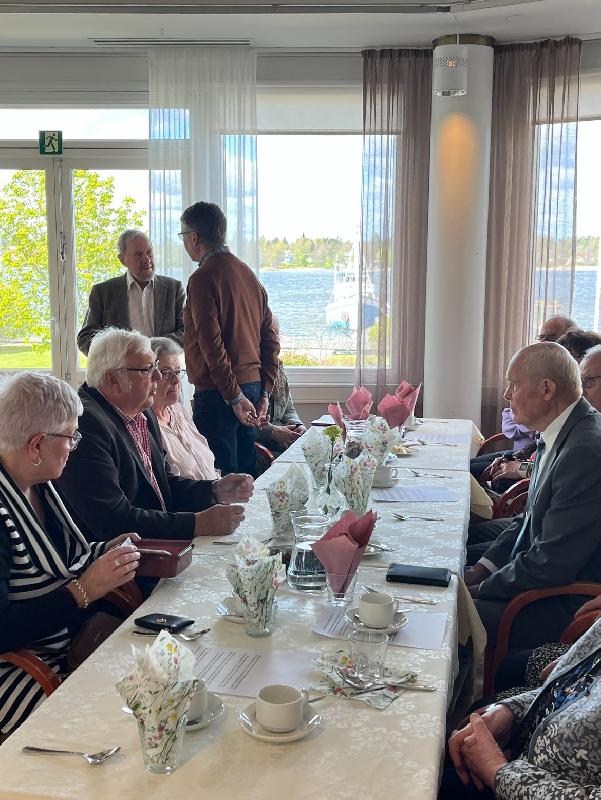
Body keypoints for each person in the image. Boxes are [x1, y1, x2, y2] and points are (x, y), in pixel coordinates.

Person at [0, 373, 140, 737]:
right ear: (36, 445)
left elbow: (64, 562)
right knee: (106, 729)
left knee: (151, 689)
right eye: (71, 437)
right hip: (18, 667)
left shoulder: (39, 484)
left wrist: (107, 552)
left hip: (66, 643)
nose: (74, 447)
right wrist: (83, 591)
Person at [56, 328, 253, 542]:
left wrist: (214, 491)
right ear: (113, 379)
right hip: (124, 554)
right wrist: (198, 523)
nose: (158, 376)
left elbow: (163, 484)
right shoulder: (85, 425)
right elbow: (113, 521)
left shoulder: (142, 413)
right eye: (148, 369)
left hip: (157, 538)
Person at [465, 342, 601, 649]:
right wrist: (480, 570)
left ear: (547, 389)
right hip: (543, 579)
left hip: (566, 601)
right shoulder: (562, 429)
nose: (506, 395)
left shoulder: (584, 452)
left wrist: (481, 589)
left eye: (514, 385)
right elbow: (527, 518)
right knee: (443, 585)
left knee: (444, 619)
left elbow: (551, 564)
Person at [442, 617, 601, 800]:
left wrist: (497, 771)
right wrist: (512, 712)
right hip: (523, 762)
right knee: (441, 754)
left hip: (526, 785)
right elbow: (573, 688)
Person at [181, 202, 280, 475]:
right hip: (251, 388)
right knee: (246, 477)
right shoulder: (249, 275)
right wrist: (264, 393)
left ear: (194, 237)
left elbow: (211, 345)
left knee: (220, 479)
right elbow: (270, 340)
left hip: (218, 393)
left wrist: (234, 398)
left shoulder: (202, 278)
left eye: (183, 236)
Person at [77, 230, 185, 355]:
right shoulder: (103, 293)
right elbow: (85, 339)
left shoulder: (174, 288)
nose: (147, 259)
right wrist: (125, 351)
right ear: (122, 260)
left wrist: (153, 347)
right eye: (138, 254)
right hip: (121, 367)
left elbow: (186, 332)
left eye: (149, 252)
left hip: (164, 366)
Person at [150, 337, 219, 481]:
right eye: (165, 372)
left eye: (177, 372)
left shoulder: (178, 410)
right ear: (149, 376)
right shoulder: (147, 426)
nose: (176, 380)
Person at [256, 359, 306, 455]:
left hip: (282, 444)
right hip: (258, 448)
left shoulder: (278, 368)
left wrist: (297, 425)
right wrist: (272, 431)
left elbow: (288, 409)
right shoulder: (248, 370)